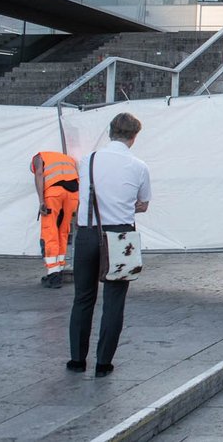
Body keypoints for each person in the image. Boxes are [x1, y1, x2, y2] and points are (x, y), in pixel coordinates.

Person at [67, 113, 151, 378]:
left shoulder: (88, 160)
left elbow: (84, 195)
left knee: (83, 298)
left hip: (88, 233)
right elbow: (143, 204)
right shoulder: (139, 166)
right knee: (114, 301)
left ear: (110, 131)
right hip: (120, 236)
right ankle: (103, 363)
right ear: (134, 137)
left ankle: (77, 360)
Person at [31, 149, 79, 289]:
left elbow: (39, 174)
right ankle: (59, 269)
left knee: (49, 231)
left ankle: (53, 274)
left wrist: (41, 201)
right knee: (63, 231)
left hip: (54, 194)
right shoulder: (68, 159)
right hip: (72, 195)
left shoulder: (38, 157)